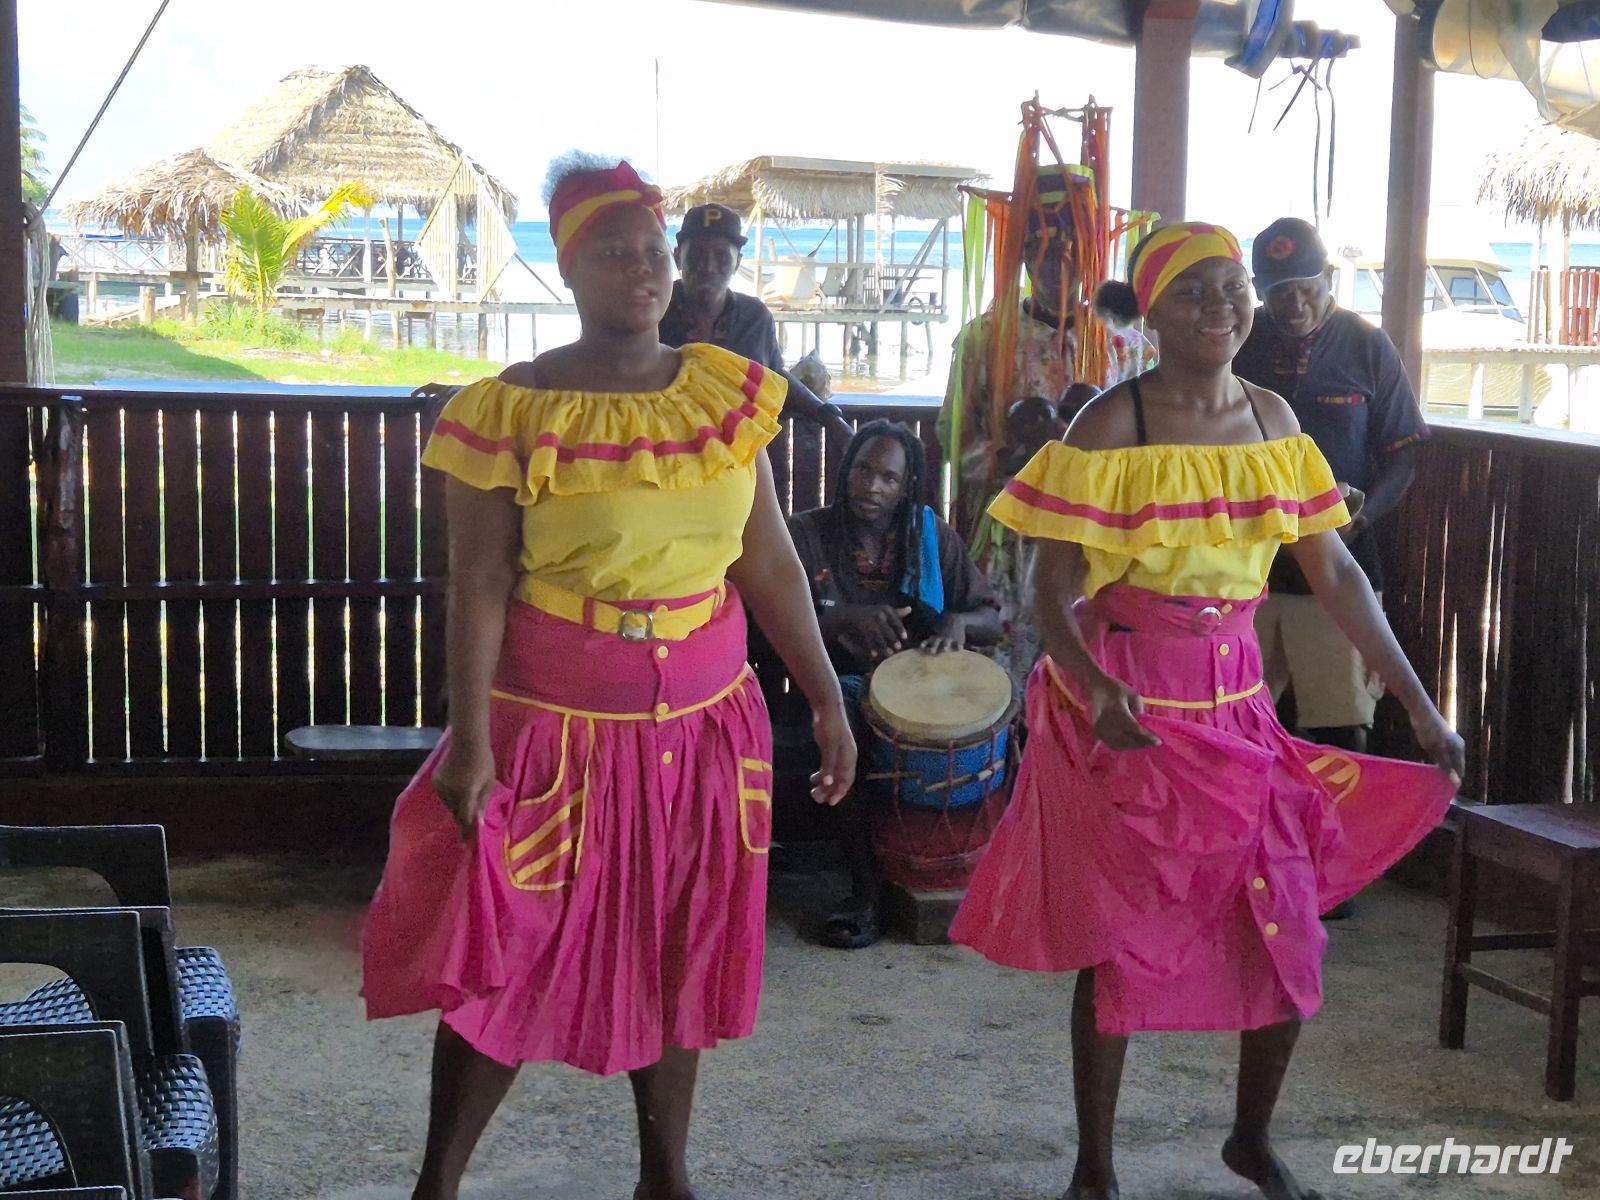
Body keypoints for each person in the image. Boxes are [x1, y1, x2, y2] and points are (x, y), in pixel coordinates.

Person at [361, 155, 856, 1200]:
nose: (643, 269)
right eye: (614, 253)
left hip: (706, 724)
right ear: (568, 269)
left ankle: (664, 1176)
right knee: (510, 944)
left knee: (680, 939)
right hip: (555, 727)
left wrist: (824, 696)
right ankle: (436, 1184)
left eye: (655, 251)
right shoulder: (508, 410)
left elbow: (767, 560)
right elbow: (479, 583)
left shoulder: (724, 394)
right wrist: (470, 744)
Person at [948, 222, 1463, 1200]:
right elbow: (1051, 588)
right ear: (1150, 312)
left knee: (1288, 924)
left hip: (1240, 710)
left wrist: (1416, 701)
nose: (1220, 307)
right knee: (1122, 940)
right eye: (1192, 292)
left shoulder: (1274, 419)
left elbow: (1337, 573)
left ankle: (1250, 1140)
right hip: (1134, 707)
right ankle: (1095, 1169)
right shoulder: (1111, 423)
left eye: (1232, 288)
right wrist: (1093, 687)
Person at [939, 164, 1154, 698]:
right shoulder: (985, 339)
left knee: (1087, 679)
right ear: (1022, 256)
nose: (1058, 267)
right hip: (1008, 542)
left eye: (1072, 254)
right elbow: (953, 436)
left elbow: (1154, 448)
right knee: (1001, 683)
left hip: (1098, 544)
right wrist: (1010, 458)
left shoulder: (1126, 346)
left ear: (1091, 257)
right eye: (1041, 252)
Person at [786, 421, 1001, 947]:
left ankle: (958, 871)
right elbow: (762, 622)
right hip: (830, 688)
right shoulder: (807, 535)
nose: (872, 486)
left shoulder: (929, 537)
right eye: (863, 470)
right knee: (848, 723)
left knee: (1000, 722)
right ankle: (866, 891)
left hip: (920, 690)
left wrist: (957, 622)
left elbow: (991, 618)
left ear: (906, 486)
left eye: (888, 477)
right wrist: (841, 620)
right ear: (846, 471)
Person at [1234, 216, 1428, 761]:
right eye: (1279, 293)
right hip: (1247, 567)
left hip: (1341, 566)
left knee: (1343, 726)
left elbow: (1403, 455)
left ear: (1327, 278)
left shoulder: (1368, 345)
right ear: (1259, 291)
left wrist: (1358, 520)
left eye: (1306, 288)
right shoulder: (1238, 342)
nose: (1294, 304)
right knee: (1238, 720)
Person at [659, 202, 854, 440]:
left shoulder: (754, 317)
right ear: (678, 257)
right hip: (666, 447)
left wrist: (828, 415)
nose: (708, 267)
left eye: (721, 257)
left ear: (737, 263)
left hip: (742, 452)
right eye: (697, 255)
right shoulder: (654, 312)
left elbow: (775, 377)